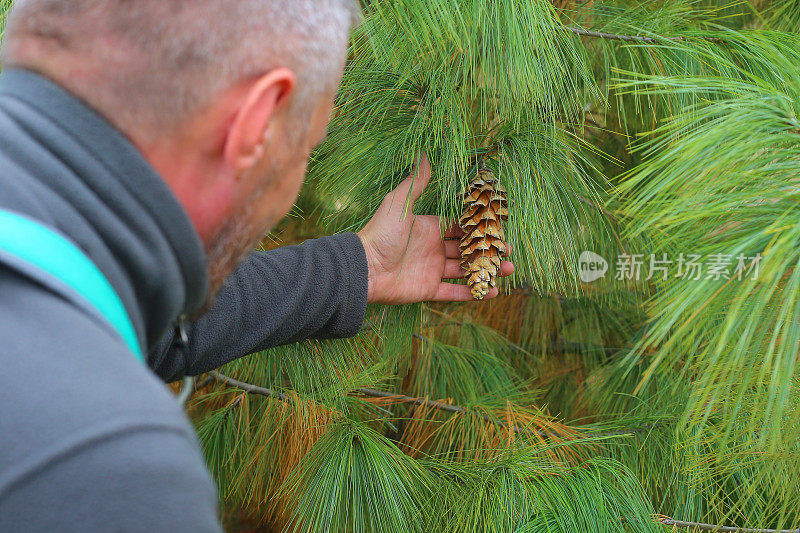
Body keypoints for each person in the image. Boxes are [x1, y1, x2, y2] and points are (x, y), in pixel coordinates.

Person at [0, 1, 513, 531]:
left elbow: (152, 331)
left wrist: (360, 267)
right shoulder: (103, 469)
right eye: (307, 146)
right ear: (257, 122)